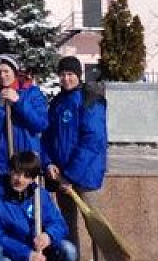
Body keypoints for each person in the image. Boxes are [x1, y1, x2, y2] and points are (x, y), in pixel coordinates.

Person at [41, 57, 106, 261]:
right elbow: (47, 137)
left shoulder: (89, 99)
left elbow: (92, 140)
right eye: (62, 74)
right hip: (61, 176)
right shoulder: (58, 102)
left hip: (84, 176)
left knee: (96, 226)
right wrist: (48, 163)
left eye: (70, 74)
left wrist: (70, 174)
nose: (66, 79)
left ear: (78, 75)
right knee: (68, 225)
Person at [0, 152, 76, 261]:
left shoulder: (41, 196)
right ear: (9, 171)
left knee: (68, 249)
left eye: (26, 176)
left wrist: (49, 236)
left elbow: (59, 224)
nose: (20, 180)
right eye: (17, 173)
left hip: (39, 251)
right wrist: (26, 253)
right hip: (11, 252)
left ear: (32, 179)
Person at [0, 55, 48, 185]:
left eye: (6, 71)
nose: (2, 75)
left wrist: (19, 102)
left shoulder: (31, 93)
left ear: (15, 72)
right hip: (1, 164)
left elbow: (40, 124)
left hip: (27, 161)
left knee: (30, 202)